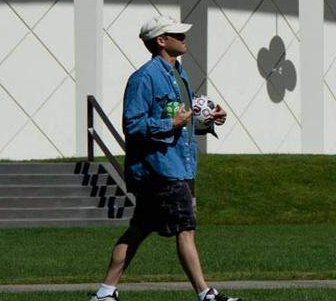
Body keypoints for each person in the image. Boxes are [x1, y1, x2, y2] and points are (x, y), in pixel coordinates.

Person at [89, 15, 238, 301]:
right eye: (178, 35)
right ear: (161, 41)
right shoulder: (143, 78)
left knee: (138, 229)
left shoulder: (179, 74)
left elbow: (183, 119)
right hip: (158, 170)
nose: (184, 39)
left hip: (178, 165)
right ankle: (206, 294)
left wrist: (208, 121)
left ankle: (105, 292)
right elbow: (132, 126)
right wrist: (171, 124)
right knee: (186, 227)